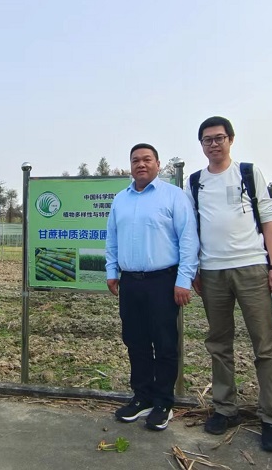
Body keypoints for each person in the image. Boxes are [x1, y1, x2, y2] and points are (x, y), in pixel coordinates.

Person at [187, 116, 272, 452]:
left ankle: (270, 418)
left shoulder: (248, 173)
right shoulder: (195, 182)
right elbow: (191, 230)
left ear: (231, 139)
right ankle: (225, 409)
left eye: (219, 138)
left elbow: (268, 221)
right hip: (212, 271)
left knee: (264, 346)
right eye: (207, 139)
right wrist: (194, 269)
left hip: (251, 267)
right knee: (219, 343)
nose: (214, 144)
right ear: (201, 145)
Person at [105, 143, 199, 431]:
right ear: (130, 166)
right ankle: (142, 396)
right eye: (136, 160)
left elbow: (188, 239)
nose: (141, 164)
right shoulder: (121, 199)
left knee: (165, 343)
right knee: (135, 341)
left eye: (147, 159)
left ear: (158, 164)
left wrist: (184, 280)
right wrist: (112, 271)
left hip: (163, 281)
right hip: (130, 282)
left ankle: (163, 402)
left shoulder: (174, 196)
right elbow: (112, 238)